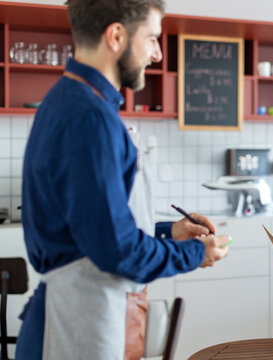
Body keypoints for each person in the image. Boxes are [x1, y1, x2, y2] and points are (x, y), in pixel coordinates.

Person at [17, 0, 230, 359]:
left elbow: (92, 230)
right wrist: (194, 253)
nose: (158, 54)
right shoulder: (91, 118)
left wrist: (168, 232)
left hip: (77, 313)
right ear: (116, 35)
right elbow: (117, 250)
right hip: (77, 325)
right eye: (151, 38)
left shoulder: (68, 101)